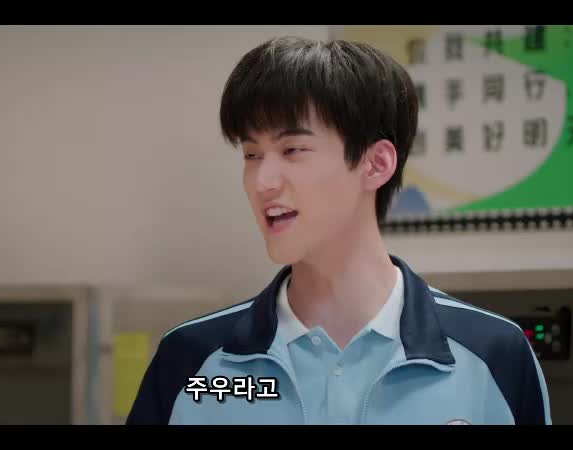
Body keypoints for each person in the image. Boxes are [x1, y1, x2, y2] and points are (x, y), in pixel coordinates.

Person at [126, 36, 551, 425]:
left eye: (292, 149)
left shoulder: (494, 354)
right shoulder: (192, 362)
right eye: (252, 155)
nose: (262, 182)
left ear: (376, 164)